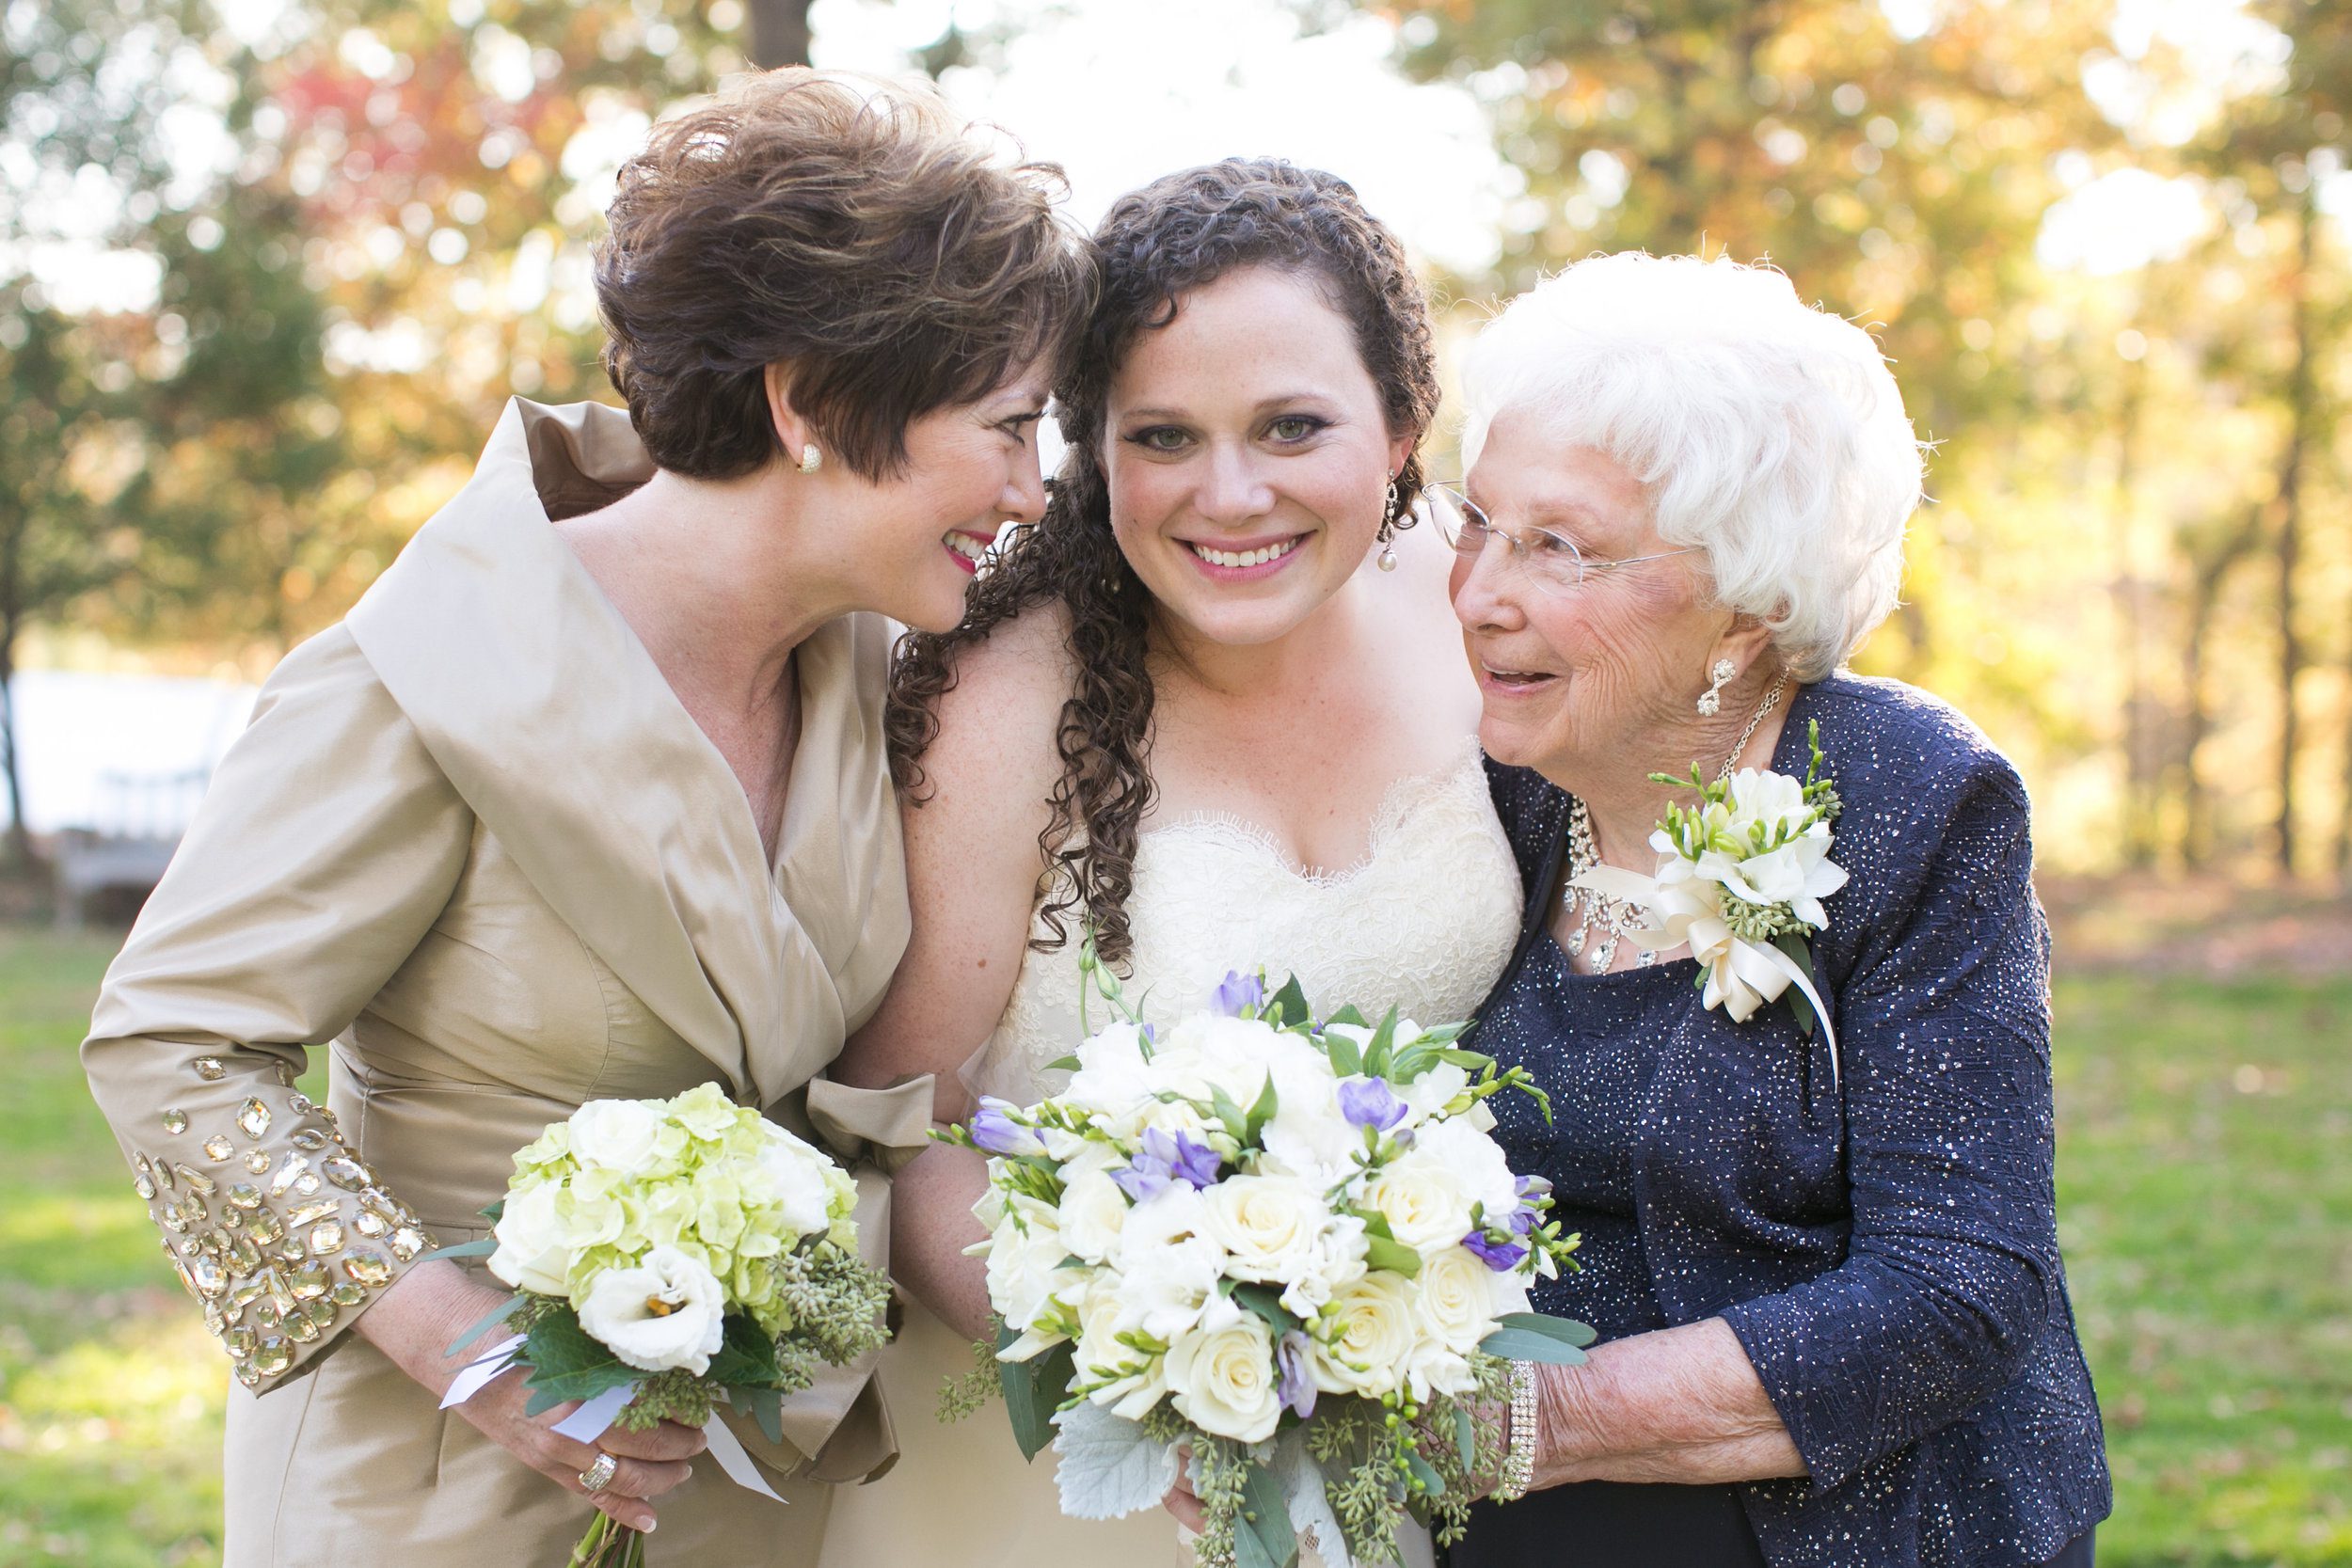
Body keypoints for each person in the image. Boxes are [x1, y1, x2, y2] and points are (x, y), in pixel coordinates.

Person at [79, 69, 1089, 1567]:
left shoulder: (884, 677)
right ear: (811, 405)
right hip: (436, 1491)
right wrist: (461, 1349)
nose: (1032, 483)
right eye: (1005, 426)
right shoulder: (420, 675)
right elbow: (170, 1043)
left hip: (749, 1497)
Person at [816, 159, 1522, 1568]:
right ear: (1093, 445)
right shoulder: (1005, 700)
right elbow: (891, 1136)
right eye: (1164, 437)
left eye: (1292, 426)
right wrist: (1150, 1365)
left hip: (1405, 1441)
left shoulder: (1476, 603)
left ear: (1402, 428)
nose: (1232, 494)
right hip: (1064, 1469)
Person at [1438, 252, 2110, 1567]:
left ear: (1744, 613)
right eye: (1478, 523)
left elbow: (1958, 1290)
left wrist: (1520, 1422)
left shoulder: (1912, 798)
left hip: (1854, 1525)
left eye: (1557, 546)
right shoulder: (1490, 791)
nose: (1477, 594)